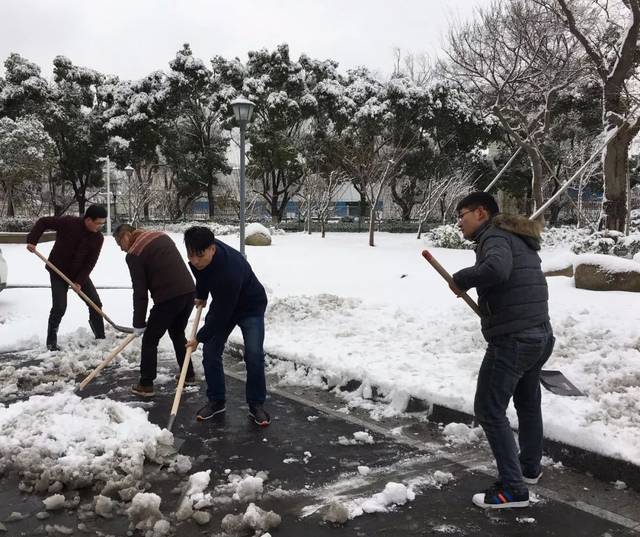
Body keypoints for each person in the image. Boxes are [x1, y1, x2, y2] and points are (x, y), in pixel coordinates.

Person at [450, 192, 554, 509]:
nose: (459, 222)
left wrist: (462, 278)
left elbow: (496, 270)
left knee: (489, 409)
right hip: (541, 335)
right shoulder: (515, 237)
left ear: (481, 213)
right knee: (527, 402)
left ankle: (513, 489)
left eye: (462, 214)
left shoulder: (493, 237)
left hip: (514, 338)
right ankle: (528, 468)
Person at [183, 226, 270, 426]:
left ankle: (256, 404)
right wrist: (202, 293)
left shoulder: (230, 271)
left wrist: (199, 337)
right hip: (225, 302)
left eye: (199, 255)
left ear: (212, 249)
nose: (194, 260)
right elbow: (201, 273)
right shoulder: (201, 253)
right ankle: (216, 400)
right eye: (190, 255)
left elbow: (222, 314)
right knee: (211, 352)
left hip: (250, 306)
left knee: (254, 354)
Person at [114, 224, 196, 397]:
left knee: (150, 340)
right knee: (177, 332)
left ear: (126, 236)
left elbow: (140, 292)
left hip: (168, 298)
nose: (121, 249)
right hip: (189, 291)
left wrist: (138, 323)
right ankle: (188, 374)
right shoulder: (161, 236)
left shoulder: (134, 254)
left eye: (119, 243)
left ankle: (146, 384)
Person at [26, 205, 108, 351]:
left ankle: (100, 337)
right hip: (58, 270)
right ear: (88, 220)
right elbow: (43, 222)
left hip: (78, 273)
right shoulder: (69, 223)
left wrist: (79, 281)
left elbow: (91, 262)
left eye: (103, 223)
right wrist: (33, 240)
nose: (100, 226)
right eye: (98, 223)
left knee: (95, 302)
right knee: (59, 307)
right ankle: (51, 343)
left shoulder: (98, 238)